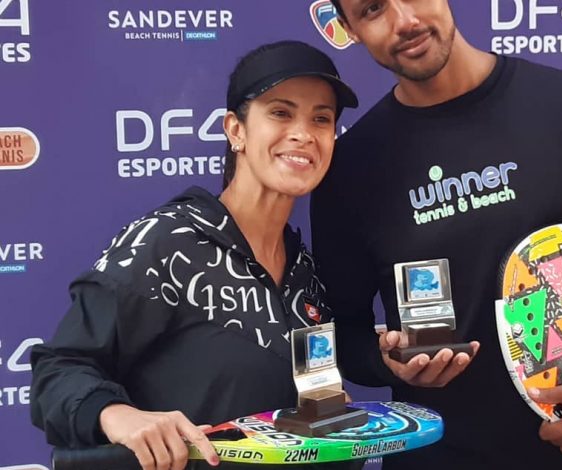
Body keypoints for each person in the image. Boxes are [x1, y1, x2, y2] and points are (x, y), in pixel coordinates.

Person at [310, 1, 562, 469]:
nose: (405, 21)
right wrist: (387, 364)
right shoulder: (349, 167)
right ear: (350, 28)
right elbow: (344, 334)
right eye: (372, 9)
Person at [30, 41, 360, 470]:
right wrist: (118, 415)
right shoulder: (169, 242)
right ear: (236, 130)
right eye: (281, 113)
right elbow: (58, 370)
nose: (303, 133)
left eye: (321, 118)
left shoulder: (305, 272)